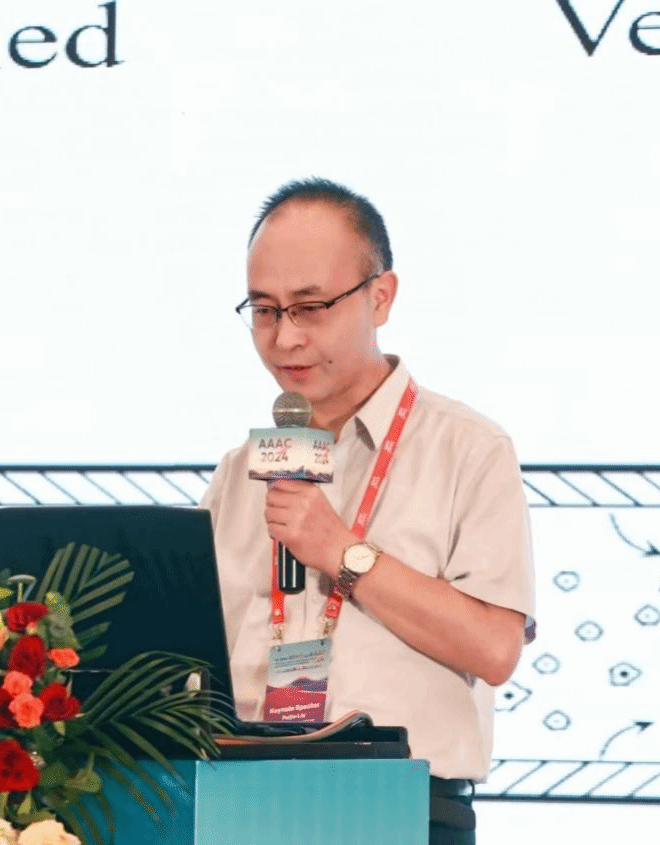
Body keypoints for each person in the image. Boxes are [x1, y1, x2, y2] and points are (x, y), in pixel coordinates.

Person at [201, 177, 536, 845]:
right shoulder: (239, 473)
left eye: (310, 307)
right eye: (264, 310)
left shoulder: (468, 449)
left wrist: (342, 552)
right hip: (237, 806)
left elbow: (496, 648)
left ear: (380, 296)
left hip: (397, 809)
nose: (285, 338)